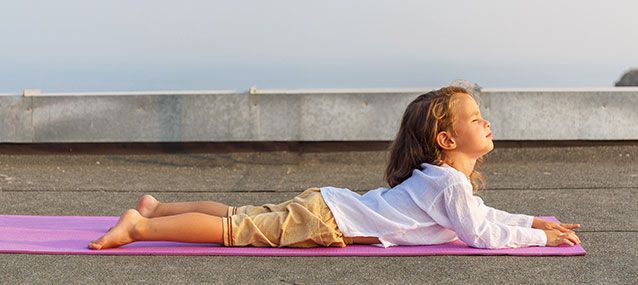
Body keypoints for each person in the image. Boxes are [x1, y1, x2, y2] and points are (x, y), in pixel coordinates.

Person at [88, 86, 581, 250]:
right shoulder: (450, 184)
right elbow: (478, 234)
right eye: (477, 118)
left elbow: (482, 216)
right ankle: (141, 226)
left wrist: (532, 222)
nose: (487, 122)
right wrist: (538, 238)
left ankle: (158, 206)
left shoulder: (444, 180)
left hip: (327, 204)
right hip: (325, 220)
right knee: (233, 230)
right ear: (447, 140)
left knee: (241, 213)